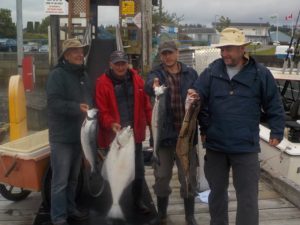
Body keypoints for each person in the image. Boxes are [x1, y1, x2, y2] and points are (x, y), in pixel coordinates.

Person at [192, 27, 285, 225]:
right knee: (216, 193)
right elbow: (198, 101)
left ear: (242, 48)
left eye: (230, 49)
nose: (225, 53)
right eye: (223, 49)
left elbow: (273, 104)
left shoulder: (260, 74)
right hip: (216, 145)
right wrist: (204, 128)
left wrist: (277, 130)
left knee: (248, 197)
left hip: (246, 146)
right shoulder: (211, 72)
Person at [144, 40, 199, 225]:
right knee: (161, 177)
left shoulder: (191, 73)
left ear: (177, 53)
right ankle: (161, 214)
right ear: (160, 56)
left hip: (186, 136)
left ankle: (189, 216)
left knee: (189, 177)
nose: (167, 57)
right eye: (163, 54)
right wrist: (154, 86)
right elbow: (148, 86)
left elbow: (201, 97)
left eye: (170, 53)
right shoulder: (156, 74)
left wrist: (196, 96)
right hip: (164, 138)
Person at [95, 50, 152, 214]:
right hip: (115, 137)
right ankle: (115, 201)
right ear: (110, 65)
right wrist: (111, 123)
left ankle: (137, 200)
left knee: (138, 170)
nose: (120, 67)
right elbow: (102, 111)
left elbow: (147, 106)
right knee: (115, 171)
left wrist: (152, 127)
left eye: (123, 63)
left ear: (128, 64)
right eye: (117, 64)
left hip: (135, 134)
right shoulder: (102, 83)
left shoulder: (138, 80)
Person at [46, 38, 92, 225]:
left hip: (79, 137)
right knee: (60, 182)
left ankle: (71, 209)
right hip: (62, 138)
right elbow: (53, 103)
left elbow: (89, 99)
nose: (80, 54)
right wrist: (76, 107)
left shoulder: (84, 75)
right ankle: (58, 217)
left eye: (81, 51)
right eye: (75, 51)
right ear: (66, 55)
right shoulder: (57, 75)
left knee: (74, 179)